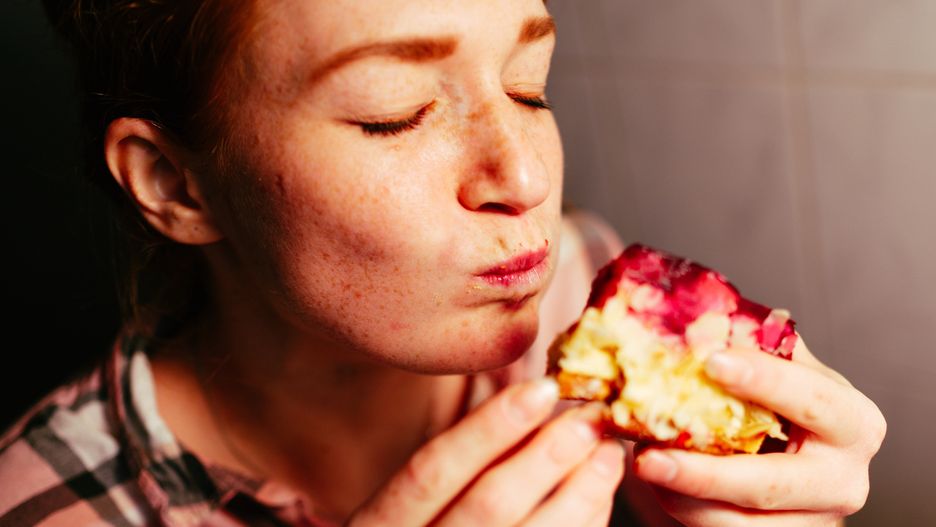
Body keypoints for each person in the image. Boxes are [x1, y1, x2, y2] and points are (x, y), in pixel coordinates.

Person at [0, 0, 885, 525]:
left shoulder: (576, 284)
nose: (527, 179)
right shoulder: (46, 504)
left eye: (529, 85)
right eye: (395, 112)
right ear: (175, 183)